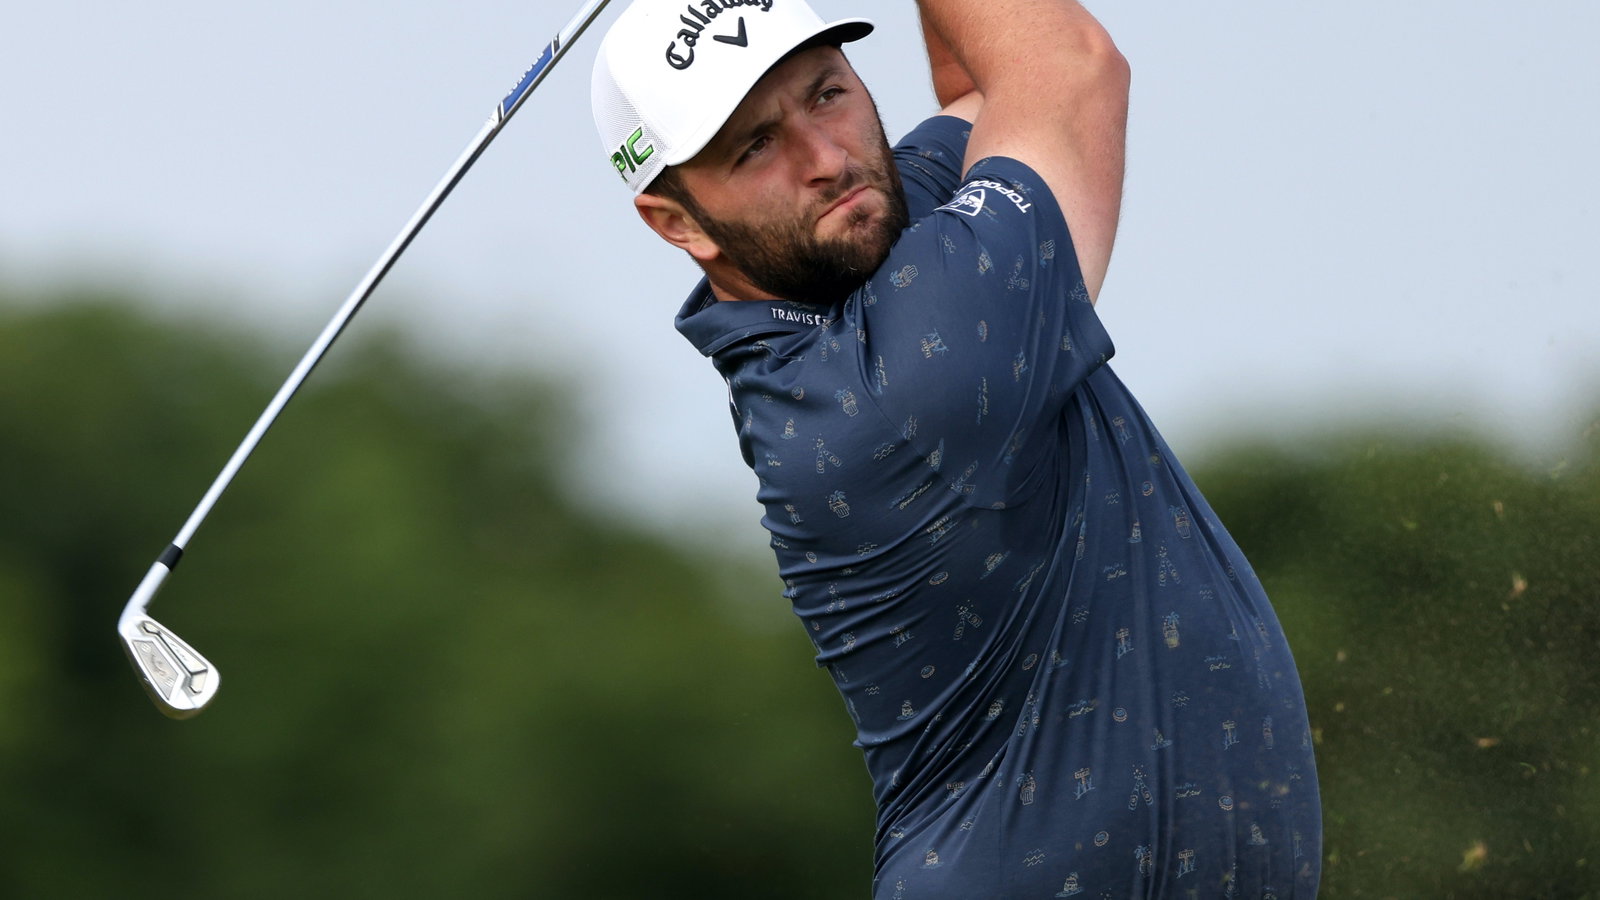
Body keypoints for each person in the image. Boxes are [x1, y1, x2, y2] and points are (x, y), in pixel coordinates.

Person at [591, 1, 1322, 896]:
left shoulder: (867, 238)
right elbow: (1069, 63)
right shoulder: (899, 387)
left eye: (827, 95)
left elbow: (984, 82)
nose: (827, 160)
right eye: (753, 147)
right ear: (679, 223)